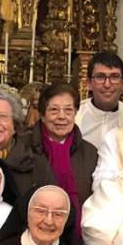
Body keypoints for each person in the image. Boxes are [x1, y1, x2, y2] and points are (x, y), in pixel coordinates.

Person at [25, 83, 98, 230]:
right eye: (54, 110)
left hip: (78, 233)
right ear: (42, 115)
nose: (62, 117)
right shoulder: (23, 147)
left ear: (75, 113)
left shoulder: (90, 152)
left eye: (68, 110)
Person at [75, 51, 123, 148]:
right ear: (89, 83)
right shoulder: (75, 116)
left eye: (114, 77)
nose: (107, 84)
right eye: (100, 77)